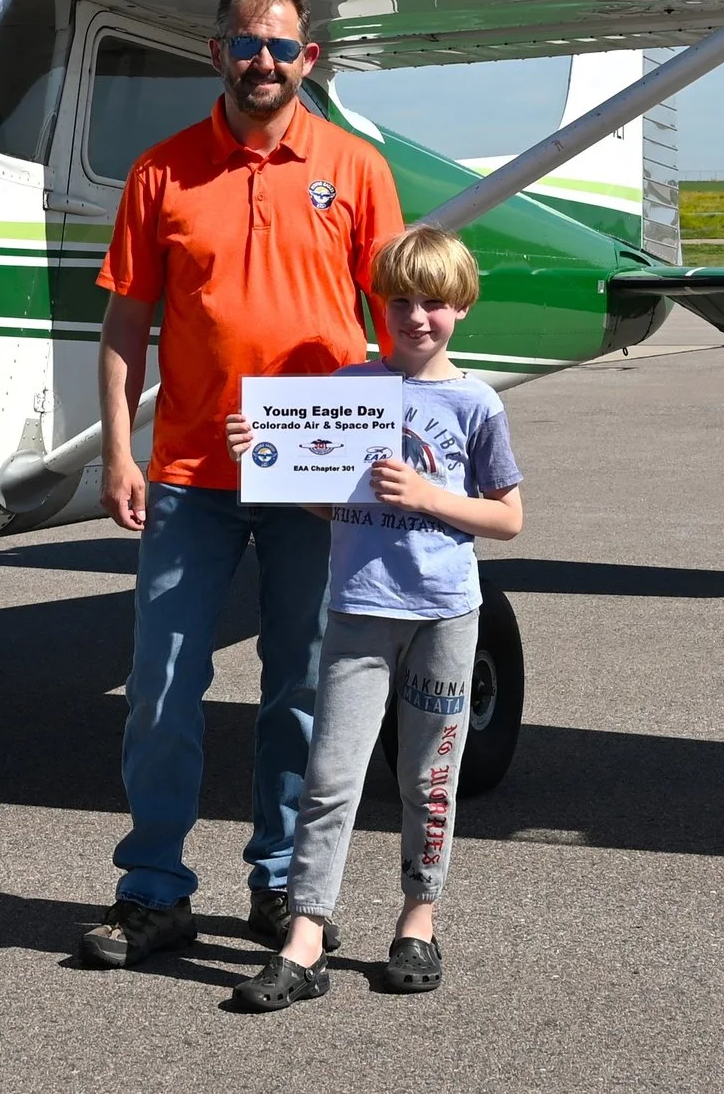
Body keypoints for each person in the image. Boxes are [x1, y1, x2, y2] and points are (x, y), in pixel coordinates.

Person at [77, 0, 404, 969]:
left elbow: (393, 316)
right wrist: (118, 450)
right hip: (189, 469)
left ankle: (281, 884)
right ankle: (153, 891)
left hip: (316, 464)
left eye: (284, 48)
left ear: (309, 60)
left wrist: (399, 443)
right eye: (248, 44)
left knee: (300, 688)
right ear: (217, 52)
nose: (266, 62)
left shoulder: (354, 167)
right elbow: (126, 321)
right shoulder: (162, 172)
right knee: (163, 686)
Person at [219, 225, 524, 1011]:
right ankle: (306, 938)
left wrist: (428, 497)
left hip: (447, 615)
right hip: (358, 610)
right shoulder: (354, 389)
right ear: (378, 305)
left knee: (429, 780)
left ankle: (418, 921)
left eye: (432, 301)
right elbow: (332, 502)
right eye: (399, 300)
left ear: (460, 306)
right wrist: (266, 457)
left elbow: (508, 518)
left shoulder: (474, 403)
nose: (415, 316)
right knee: (331, 777)